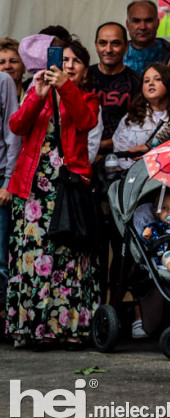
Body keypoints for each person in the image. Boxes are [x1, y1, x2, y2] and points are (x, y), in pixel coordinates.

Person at [6, 40, 100, 348]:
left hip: (67, 190)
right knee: (33, 259)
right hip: (33, 191)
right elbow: (16, 126)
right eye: (65, 59)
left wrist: (66, 90)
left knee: (68, 258)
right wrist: (36, 95)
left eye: (76, 61)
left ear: (85, 69)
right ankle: (32, 329)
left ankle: (70, 328)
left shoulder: (88, 97)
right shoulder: (39, 93)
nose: (69, 65)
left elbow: (86, 121)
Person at [112, 63, 170, 170]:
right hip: (136, 179)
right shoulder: (131, 118)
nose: (151, 83)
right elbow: (120, 153)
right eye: (146, 81)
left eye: (158, 79)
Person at [87, 22, 141, 158]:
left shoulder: (137, 82)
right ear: (96, 45)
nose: (108, 49)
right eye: (103, 43)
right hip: (82, 156)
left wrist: (98, 146)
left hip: (122, 157)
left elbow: (140, 129)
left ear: (126, 46)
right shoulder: (83, 77)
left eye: (115, 43)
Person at [124, 0, 170, 75]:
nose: (143, 27)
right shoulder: (117, 53)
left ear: (157, 23)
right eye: (136, 21)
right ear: (127, 25)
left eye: (148, 21)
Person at [0, 71, 17, 299]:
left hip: (0, 177)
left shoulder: (3, 81)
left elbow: (13, 134)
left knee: (1, 259)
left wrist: (8, 181)